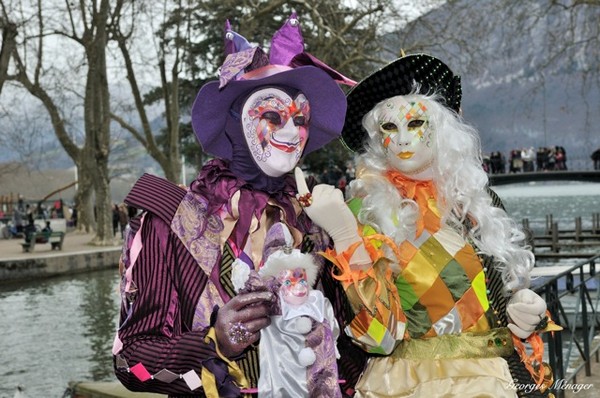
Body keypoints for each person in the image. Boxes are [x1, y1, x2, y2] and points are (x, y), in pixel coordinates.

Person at [112, 13, 365, 397]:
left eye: (301, 118)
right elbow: (131, 364)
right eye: (272, 115)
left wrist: (348, 243)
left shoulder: (313, 220)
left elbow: (362, 347)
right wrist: (213, 342)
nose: (291, 131)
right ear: (233, 122)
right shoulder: (170, 219)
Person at [295, 53, 560, 397]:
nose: (403, 139)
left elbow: (496, 299)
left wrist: (525, 308)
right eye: (389, 128)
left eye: (415, 124)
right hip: (404, 383)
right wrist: (346, 234)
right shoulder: (365, 212)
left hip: (494, 378)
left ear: (441, 130)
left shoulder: (477, 202)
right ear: (376, 140)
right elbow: (378, 337)